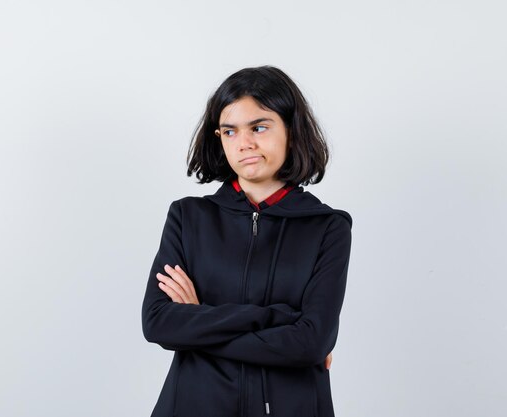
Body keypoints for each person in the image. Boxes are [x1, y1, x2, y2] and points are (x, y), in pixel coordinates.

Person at [142, 65, 353, 417]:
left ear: (291, 130)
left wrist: (198, 320)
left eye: (259, 127)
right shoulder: (188, 217)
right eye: (229, 131)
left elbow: (310, 344)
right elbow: (158, 322)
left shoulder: (328, 228)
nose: (245, 143)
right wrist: (280, 319)